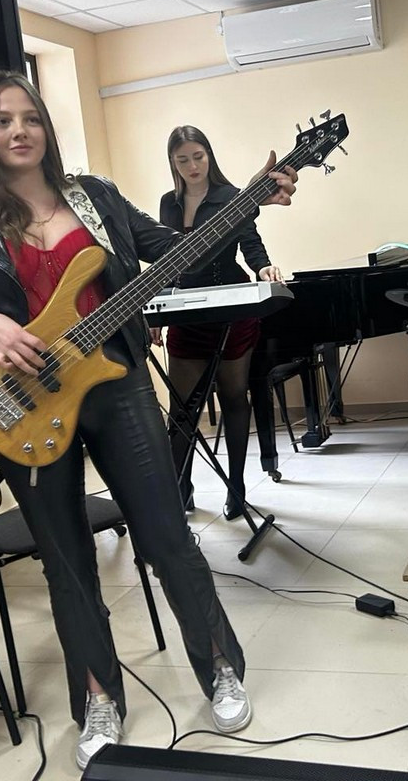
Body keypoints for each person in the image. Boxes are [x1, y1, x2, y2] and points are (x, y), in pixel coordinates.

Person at [0, 71, 297, 769]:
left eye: (31, 117)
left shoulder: (94, 197)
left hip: (116, 385)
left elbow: (179, 250)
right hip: (23, 399)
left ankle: (219, 668)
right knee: (67, 560)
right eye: (2, 120)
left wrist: (247, 202)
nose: (20, 131)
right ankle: (98, 697)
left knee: (168, 536)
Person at [152, 125, 283, 520]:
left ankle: (236, 487)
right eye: (183, 160)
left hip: (233, 310)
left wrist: (264, 268)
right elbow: (165, 261)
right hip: (187, 314)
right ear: (173, 163)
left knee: (234, 397)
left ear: (209, 155)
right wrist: (156, 311)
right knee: (181, 408)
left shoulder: (231, 197)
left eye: (198, 156)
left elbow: (251, 243)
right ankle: (180, 486)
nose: (192, 166)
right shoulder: (169, 204)